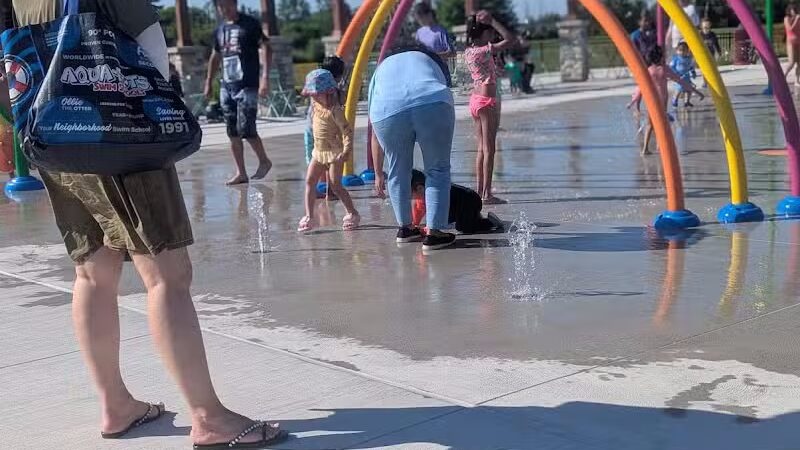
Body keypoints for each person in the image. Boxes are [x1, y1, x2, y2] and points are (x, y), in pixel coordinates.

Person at [0, 0, 287, 448]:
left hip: (53, 132)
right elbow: (150, 49)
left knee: (91, 273)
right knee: (168, 275)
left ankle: (115, 404)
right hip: (121, 131)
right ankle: (208, 417)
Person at [369, 47, 457, 251]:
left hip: (386, 111)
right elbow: (443, 84)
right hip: (432, 101)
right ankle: (435, 233)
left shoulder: (382, 67)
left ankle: (405, 229)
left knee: (397, 171)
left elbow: (374, 128)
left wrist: (377, 172)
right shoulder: (427, 59)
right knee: (437, 169)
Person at [205, 0, 273, 186]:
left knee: (247, 129)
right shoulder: (220, 30)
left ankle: (264, 161)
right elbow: (215, 56)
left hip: (247, 84)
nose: (225, 9)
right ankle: (241, 172)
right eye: (221, 6)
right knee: (232, 131)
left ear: (235, 4)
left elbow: (266, 47)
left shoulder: (249, 24)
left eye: (228, 5)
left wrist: (265, 77)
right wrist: (209, 81)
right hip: (227, 86)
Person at [298, 69, 360, 232]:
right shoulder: (315, 105)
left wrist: (346, 152)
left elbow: (347, 132)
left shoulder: (335, 110)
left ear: (328, 92)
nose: (313, 97)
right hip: (318, 152)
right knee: (310, 181)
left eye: (317, 94)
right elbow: (312, 128)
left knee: (335, 186)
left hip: (334, 153)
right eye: (312, 94)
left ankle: (352, 213)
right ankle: (309, 217)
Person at [464, 10, 516, 205]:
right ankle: (487, 194)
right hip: (486, 101)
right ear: (483, 33)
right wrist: (493, 21)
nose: (492, 35)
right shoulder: (484, 50)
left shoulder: (469, 51)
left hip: (475, 100)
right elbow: (510, 39)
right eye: (490, 32)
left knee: (481, 149)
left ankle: (480, 192)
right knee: (490, 149)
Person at [627, 46, 704, 155]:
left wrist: (633, 101)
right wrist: (696, 92)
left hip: (651, 102)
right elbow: (681, 81)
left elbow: (640, 88)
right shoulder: (664, 69)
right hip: (662, 102)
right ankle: (661, 147)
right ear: (660, 57)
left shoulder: (648, 71)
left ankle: (645, 149)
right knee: (662, 124)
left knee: (650, 125)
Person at [410, 170, 504, 234]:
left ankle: (491, 222)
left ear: (420, 188)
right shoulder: (420, 198)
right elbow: (416, 216)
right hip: (458, 205)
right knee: (456, 220)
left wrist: (428, 228)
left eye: (408, 192)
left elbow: (435, 219)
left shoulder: (433, 195)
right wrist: (414, 226)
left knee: (464, 228)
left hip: (470, 199)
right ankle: (473, 217)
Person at [304, 55, 346, 199]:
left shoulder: (316, 86)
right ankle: (331, 191)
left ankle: (314, 189)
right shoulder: (334, 92)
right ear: (338, 76)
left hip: (311, 129)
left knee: (313, 159)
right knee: (330, 159)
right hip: (328, 132)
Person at [670, 42, 699, 108]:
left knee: (689, 90)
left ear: (687, 51)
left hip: (686, 77)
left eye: (684, 50)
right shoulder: (675, 59)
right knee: (679, 89)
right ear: (677, 51)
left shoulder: (688, 59)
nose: (682, 52)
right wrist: (675, 73)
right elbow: (672, 67)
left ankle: (687, 102)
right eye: (680, 50)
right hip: (679, 77)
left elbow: (691, 67)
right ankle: (675, 100)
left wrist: (693, 73)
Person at [785, 4, 800, 86]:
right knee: (791, 62)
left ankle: (797, 80)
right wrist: (796, 20)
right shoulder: (787, 19)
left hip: (799, 42)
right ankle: (783, 77)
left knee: (799, 62)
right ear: (789, 11)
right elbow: (790, 29)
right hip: (791, 42)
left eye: (795, 9)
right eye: (793, 10)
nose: (794, 11)